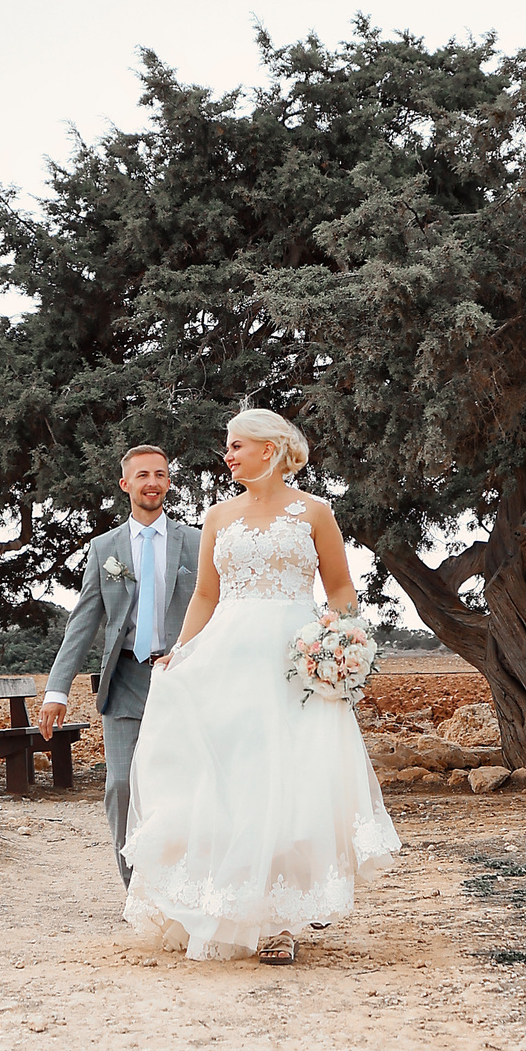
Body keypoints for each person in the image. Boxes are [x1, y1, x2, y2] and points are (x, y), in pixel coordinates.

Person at [122, 407, 400, 963]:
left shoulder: (315, 512)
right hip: (227, 659)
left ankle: (278, 923)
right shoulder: (218, 516)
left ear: (268, 449)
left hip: (292, 664)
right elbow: (206, 595)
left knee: (287, 784)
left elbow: (340, 588)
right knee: (229, 781)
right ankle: (217, 905)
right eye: (228, 446)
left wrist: (342, 644)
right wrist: (182, 652)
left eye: (236, 445)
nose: (227, 454)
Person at [38, 443, 201, 889]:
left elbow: (216, 607)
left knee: (184, 783)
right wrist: (57, 690)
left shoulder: (196, 541)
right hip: (125, 679)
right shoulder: (103, 548)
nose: (153, 482)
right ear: (125, 483)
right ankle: (136, 890)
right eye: (143, 475)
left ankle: (184, 883)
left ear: (169, 483)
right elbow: (82, 623)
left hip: (183, 680)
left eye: (161, 474)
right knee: (121, 785)